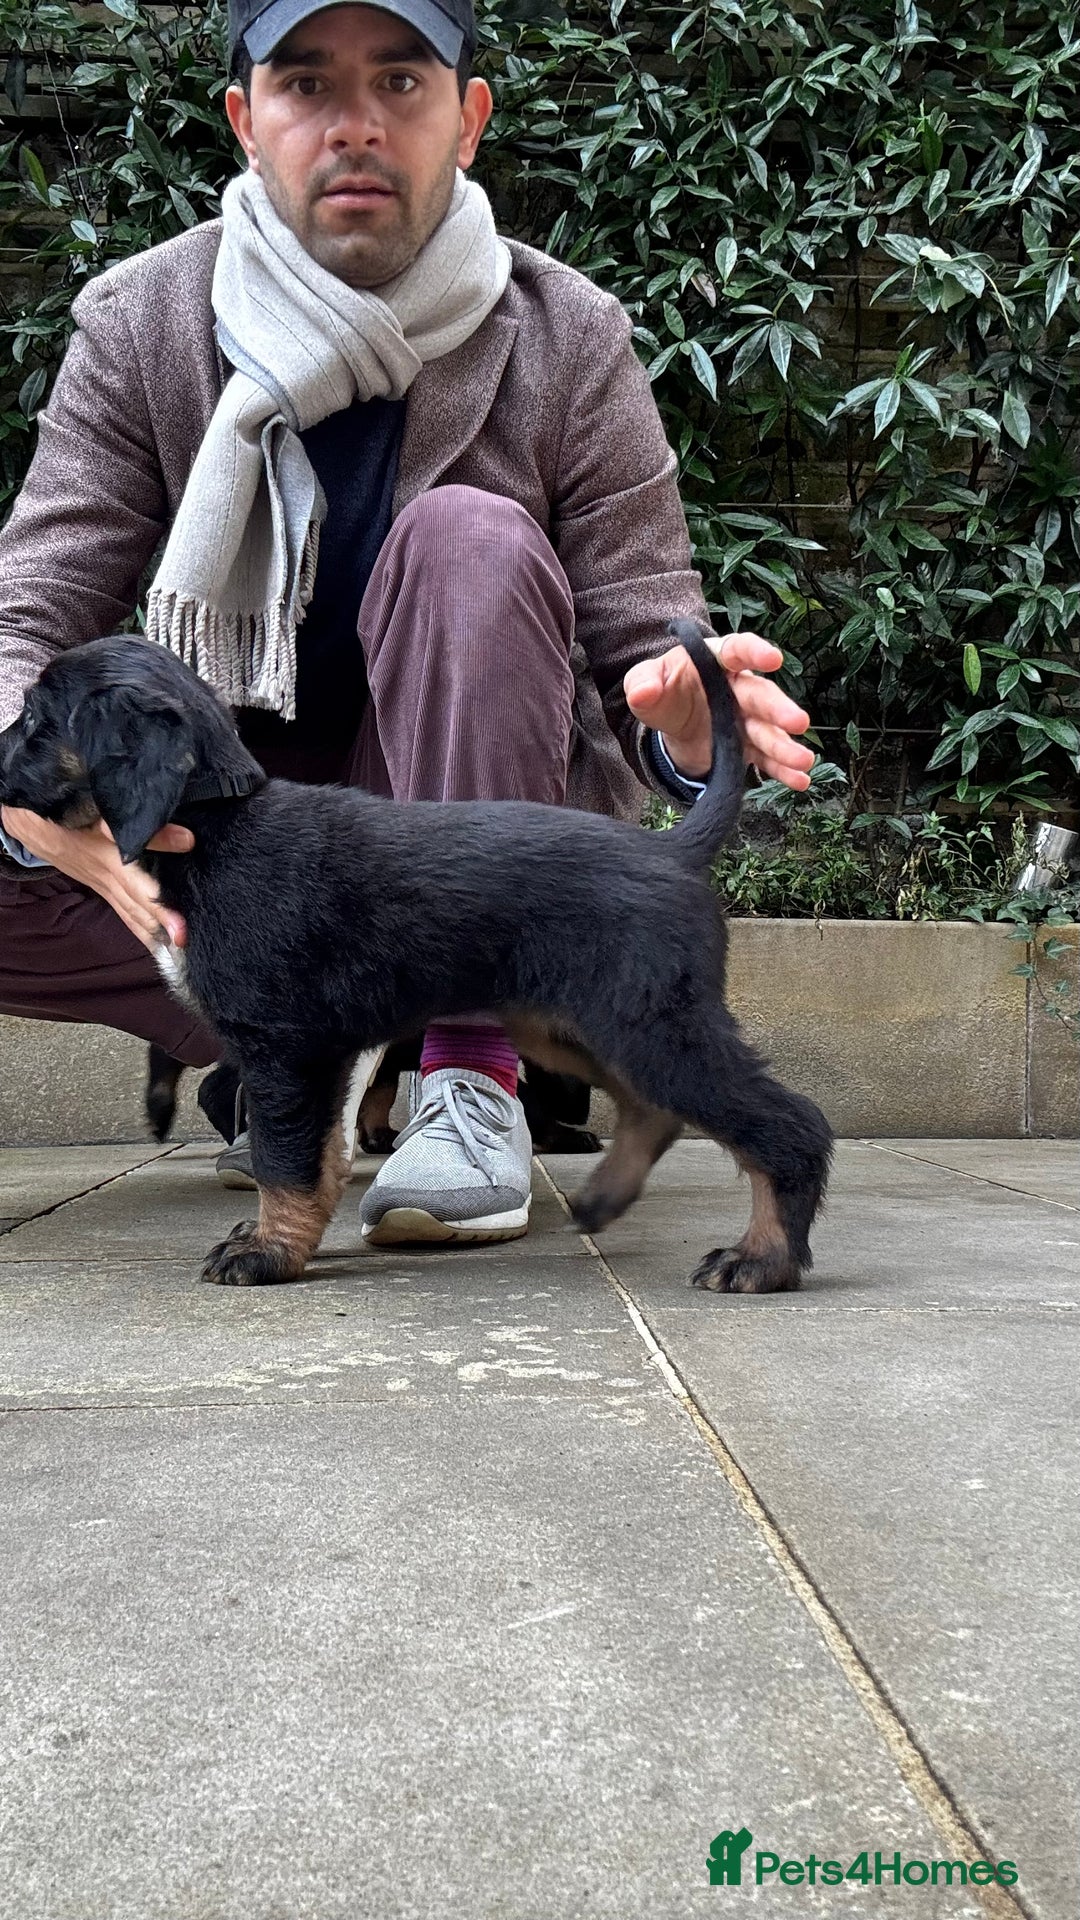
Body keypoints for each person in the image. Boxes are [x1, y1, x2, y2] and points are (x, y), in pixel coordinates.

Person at [0, 0, 815, 1247]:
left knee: (467, 541)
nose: (356, 126)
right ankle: (279, 1062)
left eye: (401, 81)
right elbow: (26, 613)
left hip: (451, 884)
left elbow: (653, 642)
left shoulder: (570, 334)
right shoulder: (141, 325)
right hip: (224, 864)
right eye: (307, 85)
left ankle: (464, 1068)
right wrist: (31, 812)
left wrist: (685, 728)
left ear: (468, 118)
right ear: (245, 120)